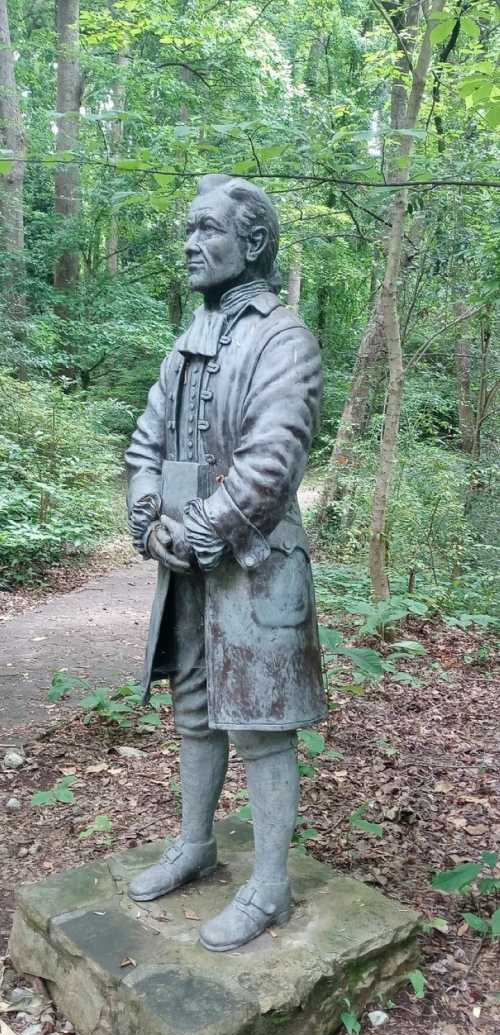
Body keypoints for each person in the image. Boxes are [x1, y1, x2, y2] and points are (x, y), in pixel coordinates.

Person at [125, 174, 326, 952]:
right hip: (185, 563)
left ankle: (271, 885)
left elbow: (274, 461)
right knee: (197, 708)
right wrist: (150, 523)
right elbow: (145, 444)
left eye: (207, 230)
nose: (189, 243)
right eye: (188, 230)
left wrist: (201, 525)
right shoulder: (185, 346)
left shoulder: (285, 341)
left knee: (263, 725)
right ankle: (196, 843)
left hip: (255, 563)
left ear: (254, 243)